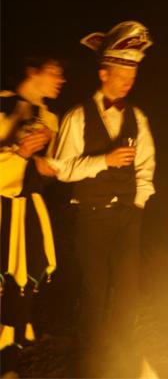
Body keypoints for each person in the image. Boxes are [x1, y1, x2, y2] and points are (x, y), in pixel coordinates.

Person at [52, 20, 156, 377]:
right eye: (122, 74)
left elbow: (146, 165)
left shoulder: (137, 117)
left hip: (127, 216)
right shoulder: (77, 116)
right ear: (103, 73)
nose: (128, 81)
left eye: (133, 75)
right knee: (95, 294)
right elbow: (63, 169)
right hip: (91, 216)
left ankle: (122, 362)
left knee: (127, 293)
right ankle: (93, 366)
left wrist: (139, 202)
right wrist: (104, 161)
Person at [0, 56, 65, 378]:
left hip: (28, 211)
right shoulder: (2, 106)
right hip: (2, 207)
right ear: (31, 71)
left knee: (22, 285)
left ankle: (9, 364)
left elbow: (43, 171)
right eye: (53, 72)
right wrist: (21, 155)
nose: (60, 80)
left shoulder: (50, 119)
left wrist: (44, 168)